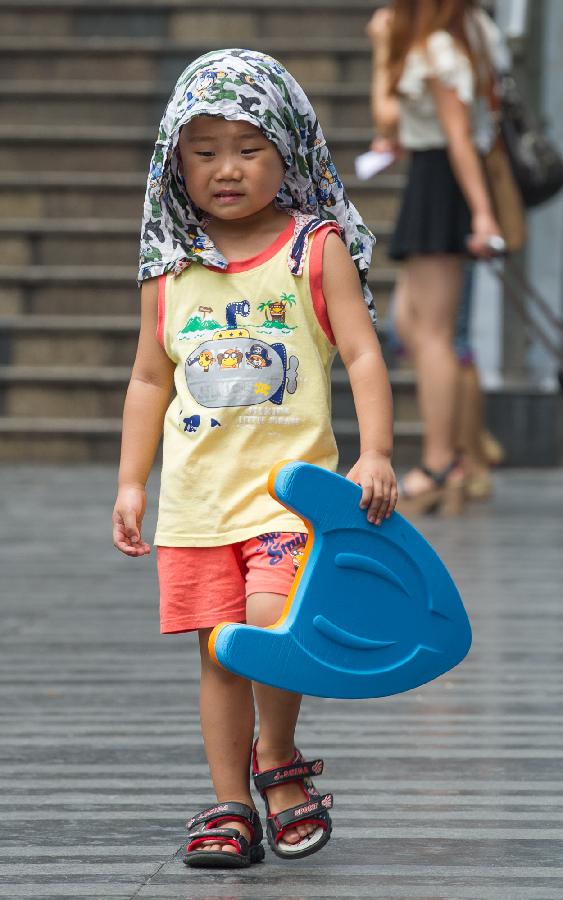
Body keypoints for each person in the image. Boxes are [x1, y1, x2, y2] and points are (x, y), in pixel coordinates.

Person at [112, 49, 397, 868]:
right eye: (203, 152)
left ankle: (276, 757)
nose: (226, 170)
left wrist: (374, 452)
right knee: (220, 652)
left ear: (290, 151)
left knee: (272, 622)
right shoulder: (169, 270)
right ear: (175, 161)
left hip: (288, 499)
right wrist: (133, 481)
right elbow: (145, 378)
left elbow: (363, 357)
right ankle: (230, 801)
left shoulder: (314, 248)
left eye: (247, 149)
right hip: (198, 504)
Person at [367, 0, 505, 515]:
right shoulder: (473, 30)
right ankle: (450, 458)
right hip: (435, 182)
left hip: (440, 184)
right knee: (413, 324)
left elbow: (451, 136)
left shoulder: (439, 49)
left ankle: (442, 461)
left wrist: (482, 216)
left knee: (434, 335)